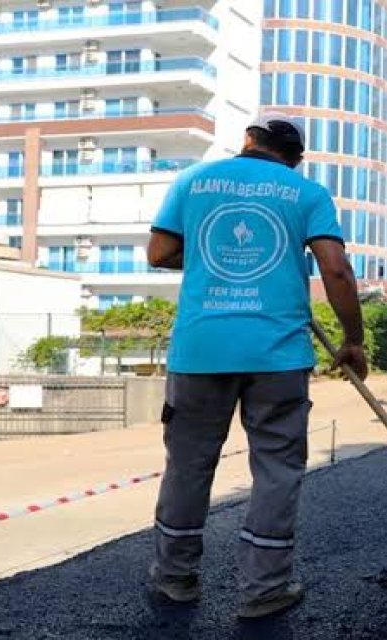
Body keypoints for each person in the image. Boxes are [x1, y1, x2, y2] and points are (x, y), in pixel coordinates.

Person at [144, 113, 366, 618]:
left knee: (188, 466)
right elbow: (335, 268)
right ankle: (265, 589)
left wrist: (209, 253)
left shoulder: (193, 180)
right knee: (277, 469)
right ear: (295, 157)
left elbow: (159, 252)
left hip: (200, 352)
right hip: (278, 354)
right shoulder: (306, 193)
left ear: (248, 140)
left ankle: (175, 579)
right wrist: (353, 340)